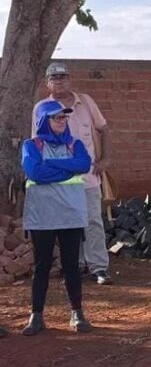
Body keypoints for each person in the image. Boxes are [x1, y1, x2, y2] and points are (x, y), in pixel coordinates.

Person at [34, 63, 112, 285]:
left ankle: (99, 268)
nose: (59, 81)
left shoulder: (85, 102)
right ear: (47, 83)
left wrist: (106, 159)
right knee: (67, 224)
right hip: (59, 180)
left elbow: (104, 129)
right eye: (54, 78)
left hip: (88, 176)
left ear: (70, 80)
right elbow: (37, 142)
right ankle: (73, 267)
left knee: (93, 221)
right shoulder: (42, 107)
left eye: (63, 77)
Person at [21, 100, 93, 335]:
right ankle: (36, 315)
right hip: (42, 215)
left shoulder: (75, 143)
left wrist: (51, 163)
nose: (62, 121)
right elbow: (35, 173)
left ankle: (77, 313)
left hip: (71, 214)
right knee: (41, 266)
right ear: (44, 121)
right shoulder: (31, 145)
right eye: (57, 117)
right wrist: (68, 168)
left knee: (71, 265)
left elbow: (84, 164)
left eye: (64, 117)